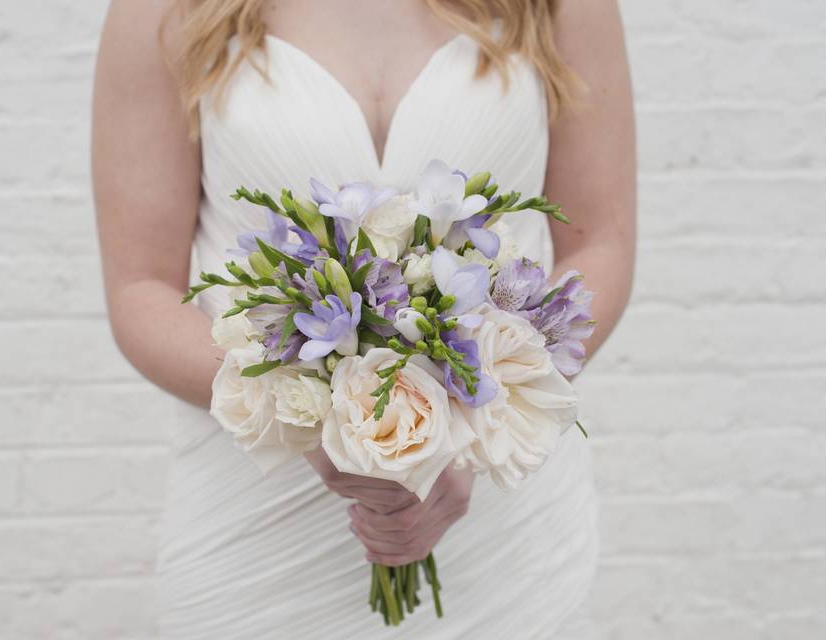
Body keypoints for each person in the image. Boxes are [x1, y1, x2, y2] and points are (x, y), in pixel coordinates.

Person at [91, 1, 635, 637]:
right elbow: (141, 287)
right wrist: (316, 418)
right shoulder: (165, 10)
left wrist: (465, 430)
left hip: (499, 521)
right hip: (257, 527)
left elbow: (601, 243)